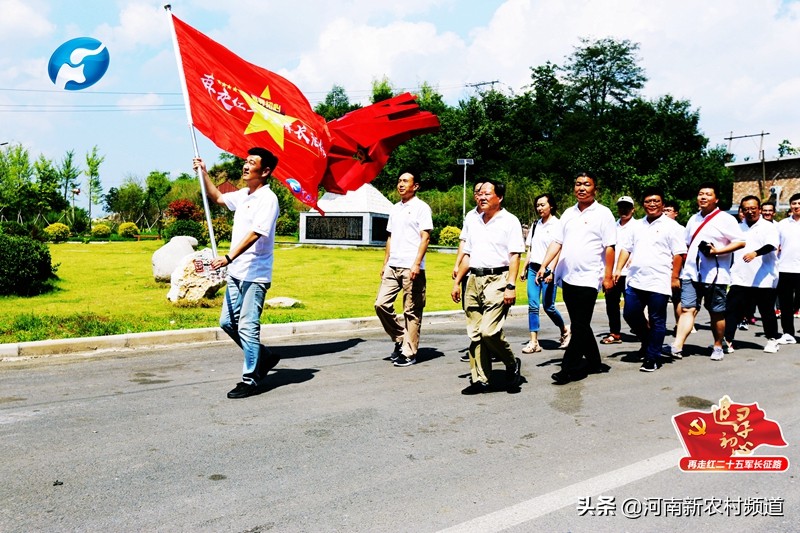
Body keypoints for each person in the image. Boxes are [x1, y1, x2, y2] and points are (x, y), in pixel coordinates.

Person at [193, 148, 281, 399]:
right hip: (236, 272)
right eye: (245, 161)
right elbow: (219, 198)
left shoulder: (268, 199)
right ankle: (263, 356)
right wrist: (204, 173)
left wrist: (229, 257)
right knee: (227, 323)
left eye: (251, 163)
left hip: (255, 273)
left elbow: (257, 233)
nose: (245, 166)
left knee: (247, 326)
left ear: (264, 172)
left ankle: (251, 378)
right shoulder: (243, 195)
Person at [538, 172, 616, 385]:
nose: (582, 188)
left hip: (590, 277)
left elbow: (610, 247)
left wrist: (608, 277)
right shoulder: (568, 213)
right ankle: (594, 361)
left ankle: (567, 368)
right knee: (580, 323)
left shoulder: (604, 214)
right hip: (568, 277)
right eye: (578, 184)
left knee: (579, 326)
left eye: (587, 184)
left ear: (595, 189)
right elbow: (557, 242)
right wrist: (545, 266)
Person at [451, 179, 523, 394]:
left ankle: (511, 363)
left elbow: (515, 256)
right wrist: (457, 283)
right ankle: (480, 379)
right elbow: (468, 255)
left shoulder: (510, 221)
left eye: (487, 194)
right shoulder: (473, 220)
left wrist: (511, 285)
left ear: (499, 198)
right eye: (479, 193)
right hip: (473, 279)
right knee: (475, 333)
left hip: (497, 279)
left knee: (489, 331)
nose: (481, 197)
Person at [664, 183, 745, 361]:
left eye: (708, 194)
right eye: (700, 194)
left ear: (716, 199)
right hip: (691, 273)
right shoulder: (694, 218)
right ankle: (677, 345)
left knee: (716, 312)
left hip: (715, 275)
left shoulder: (726, 219)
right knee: (687, 309)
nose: (703, 197)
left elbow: (740, 242)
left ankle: (718, 345)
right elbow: (686, 244)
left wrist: (717, 251)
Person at [614, 188, 686, 372]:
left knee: (657, 320)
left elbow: (679, 254)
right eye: (648, 201)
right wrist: (618, 268)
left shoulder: (672, 227)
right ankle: (649, 342)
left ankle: (652, 357)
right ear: (642, 204)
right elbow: (626, 249)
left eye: (656, 201)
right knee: (630, 314)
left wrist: (674, 277)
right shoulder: (636, 225)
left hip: (659, 281)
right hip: (636, 279)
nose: (652, 204)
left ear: (662, 204)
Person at [375, 172, 433, 367]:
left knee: (412, 310)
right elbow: (390, 237)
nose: (401, 184)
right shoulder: (395, 208)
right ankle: (401, 337)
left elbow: (425, 238)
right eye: (399, 181)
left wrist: (417, 263)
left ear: (415, 186)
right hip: (393, 264)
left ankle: (409, 351)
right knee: (381, 304)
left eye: (405, 181)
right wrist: (385, 262)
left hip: (411, 266)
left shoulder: (422, 208)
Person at [723, 196, 781, 354]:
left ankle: (772, 339)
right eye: (746, 209)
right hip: (739, 277)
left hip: (763, 277)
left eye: (753, 208)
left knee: (766, 310)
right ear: (741, 210)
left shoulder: (769, 227)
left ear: (759, 209)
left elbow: (771, 245)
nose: (750, 211)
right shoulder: (737, 228)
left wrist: (756, 253)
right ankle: (727, 340)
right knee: (732, 309)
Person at [520, 193, 570, 353]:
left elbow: (559, 250)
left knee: (548, 306)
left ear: (551, 206)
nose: (539, 208)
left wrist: (552, 272)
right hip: (534, 270)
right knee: (533, 306)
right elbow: (531, 249)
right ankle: (534, 342)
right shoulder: (535, 225)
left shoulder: (558, 225)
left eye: (542, 205)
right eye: (537, 205)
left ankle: (564, 330)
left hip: (548, 271)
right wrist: (524, 267)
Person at [453, 181, 485, 362]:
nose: (480, 195)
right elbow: (463, 242)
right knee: (470, 308)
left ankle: (488, 346)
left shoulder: (498, 216)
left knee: (488, 309)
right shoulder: (471, 216)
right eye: (477, 192)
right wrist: (457, 265)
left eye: (484, 191)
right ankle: (476, 346)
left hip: (489, 272)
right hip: (469, 269)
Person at [601, 196, 636, 344]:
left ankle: (643, 329)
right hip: (612, 272)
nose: (624, 210)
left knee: (633, 306)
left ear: (633, 210)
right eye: (621, 207)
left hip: (630, 273)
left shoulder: (638, 226)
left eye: (627, 207)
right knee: (611, 304)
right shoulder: (612, 227)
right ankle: (615, 333)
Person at [776, 192, 800, 345]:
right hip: (784, 268)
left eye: (799, 203)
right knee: (785, 304)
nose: (797, 206)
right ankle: (788, 333)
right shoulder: (782, 224)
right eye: (794, 203)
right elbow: (775, 246)